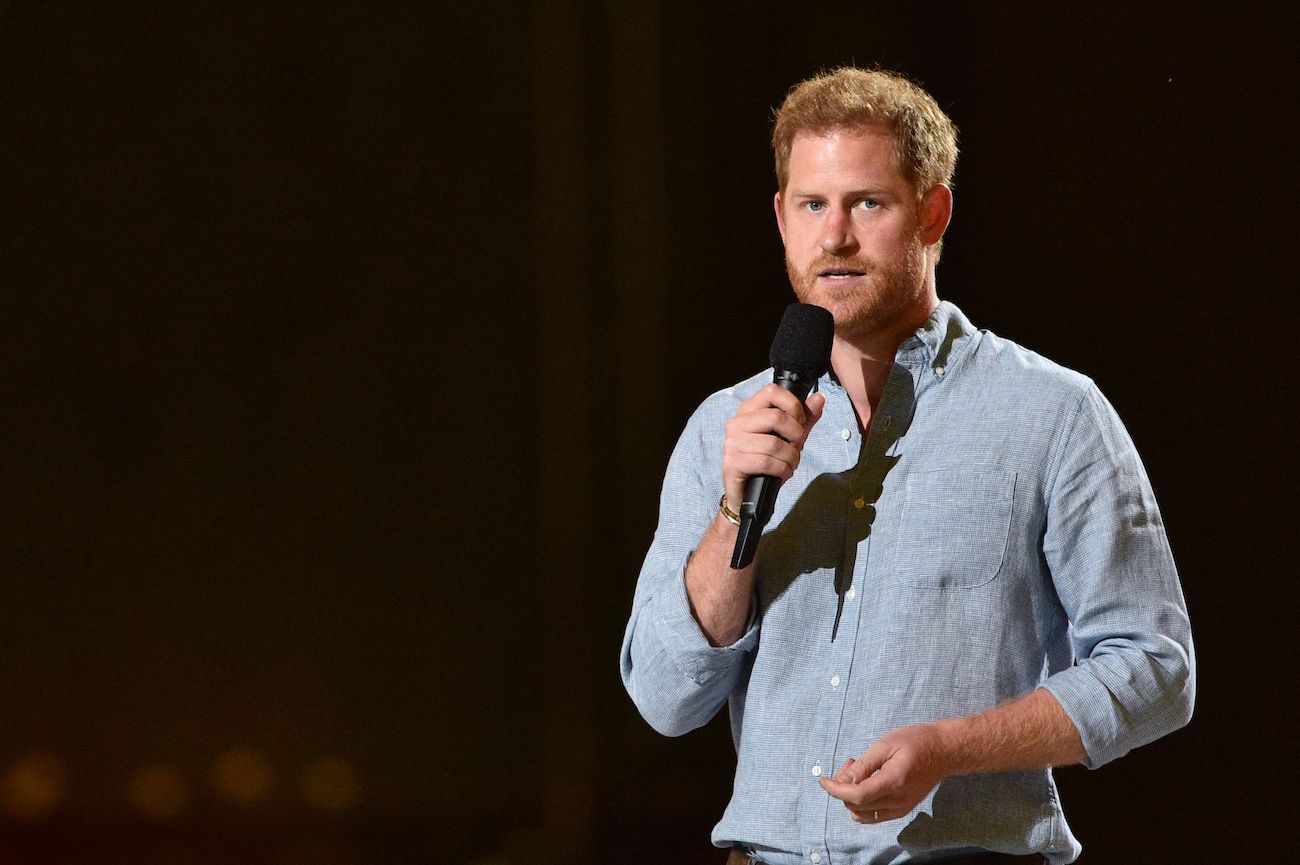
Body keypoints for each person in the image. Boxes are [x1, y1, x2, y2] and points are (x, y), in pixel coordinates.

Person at [619, 67, 1195, 865]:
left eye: (869, 203)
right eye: (813, 205)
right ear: (782, 218)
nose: (836, 237)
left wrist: (950, 747)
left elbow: (1155, 667)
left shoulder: (1053, 414)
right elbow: (664, 696)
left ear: (933, 211)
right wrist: (732, 515)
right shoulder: (728, 429)